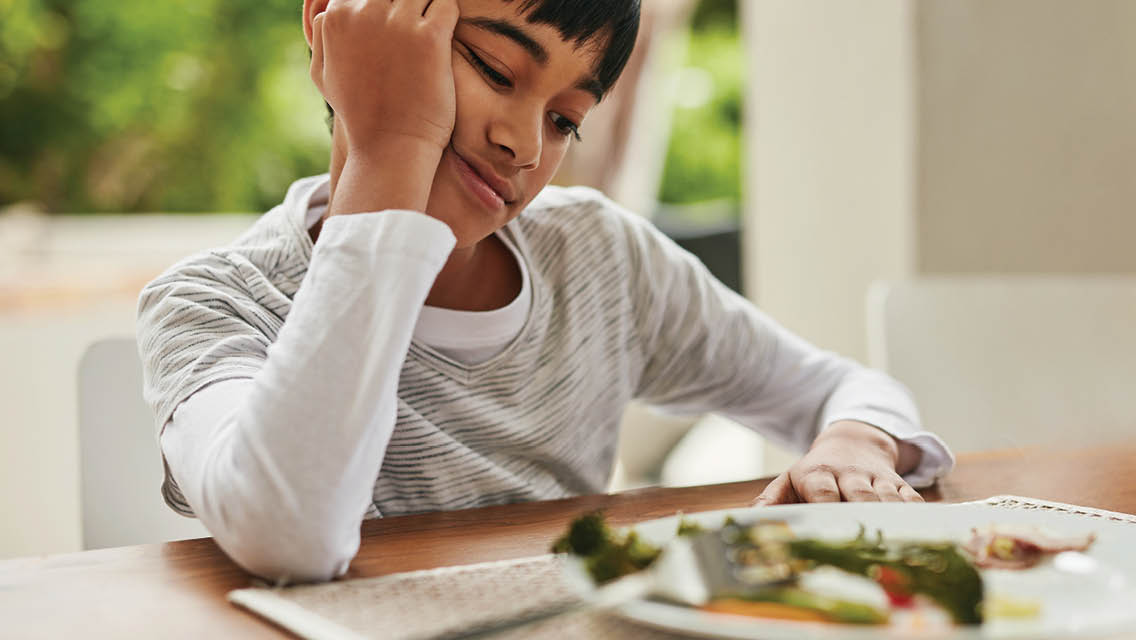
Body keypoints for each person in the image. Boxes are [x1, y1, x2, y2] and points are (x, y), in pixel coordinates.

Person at [137, 0, 953, 584]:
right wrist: (392, 149)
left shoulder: (597, 258)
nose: (524, 143)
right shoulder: (213, 303)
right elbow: (291, 536)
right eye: (496, 69)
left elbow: (841, 386)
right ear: (338, 25)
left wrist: (857, 442)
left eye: (566, 120)